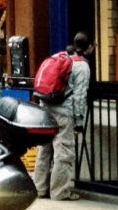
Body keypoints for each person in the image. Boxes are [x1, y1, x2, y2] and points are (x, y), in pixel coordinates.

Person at [33, 32, 93, 201]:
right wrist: (79, 121)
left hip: (45, 107)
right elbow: (80, 96)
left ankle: (39, 188)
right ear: (88, 47)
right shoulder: (82, 67)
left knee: (44, 149)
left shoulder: (59, 56)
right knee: (63, 151)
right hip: (63, 111)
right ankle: (60, 192)